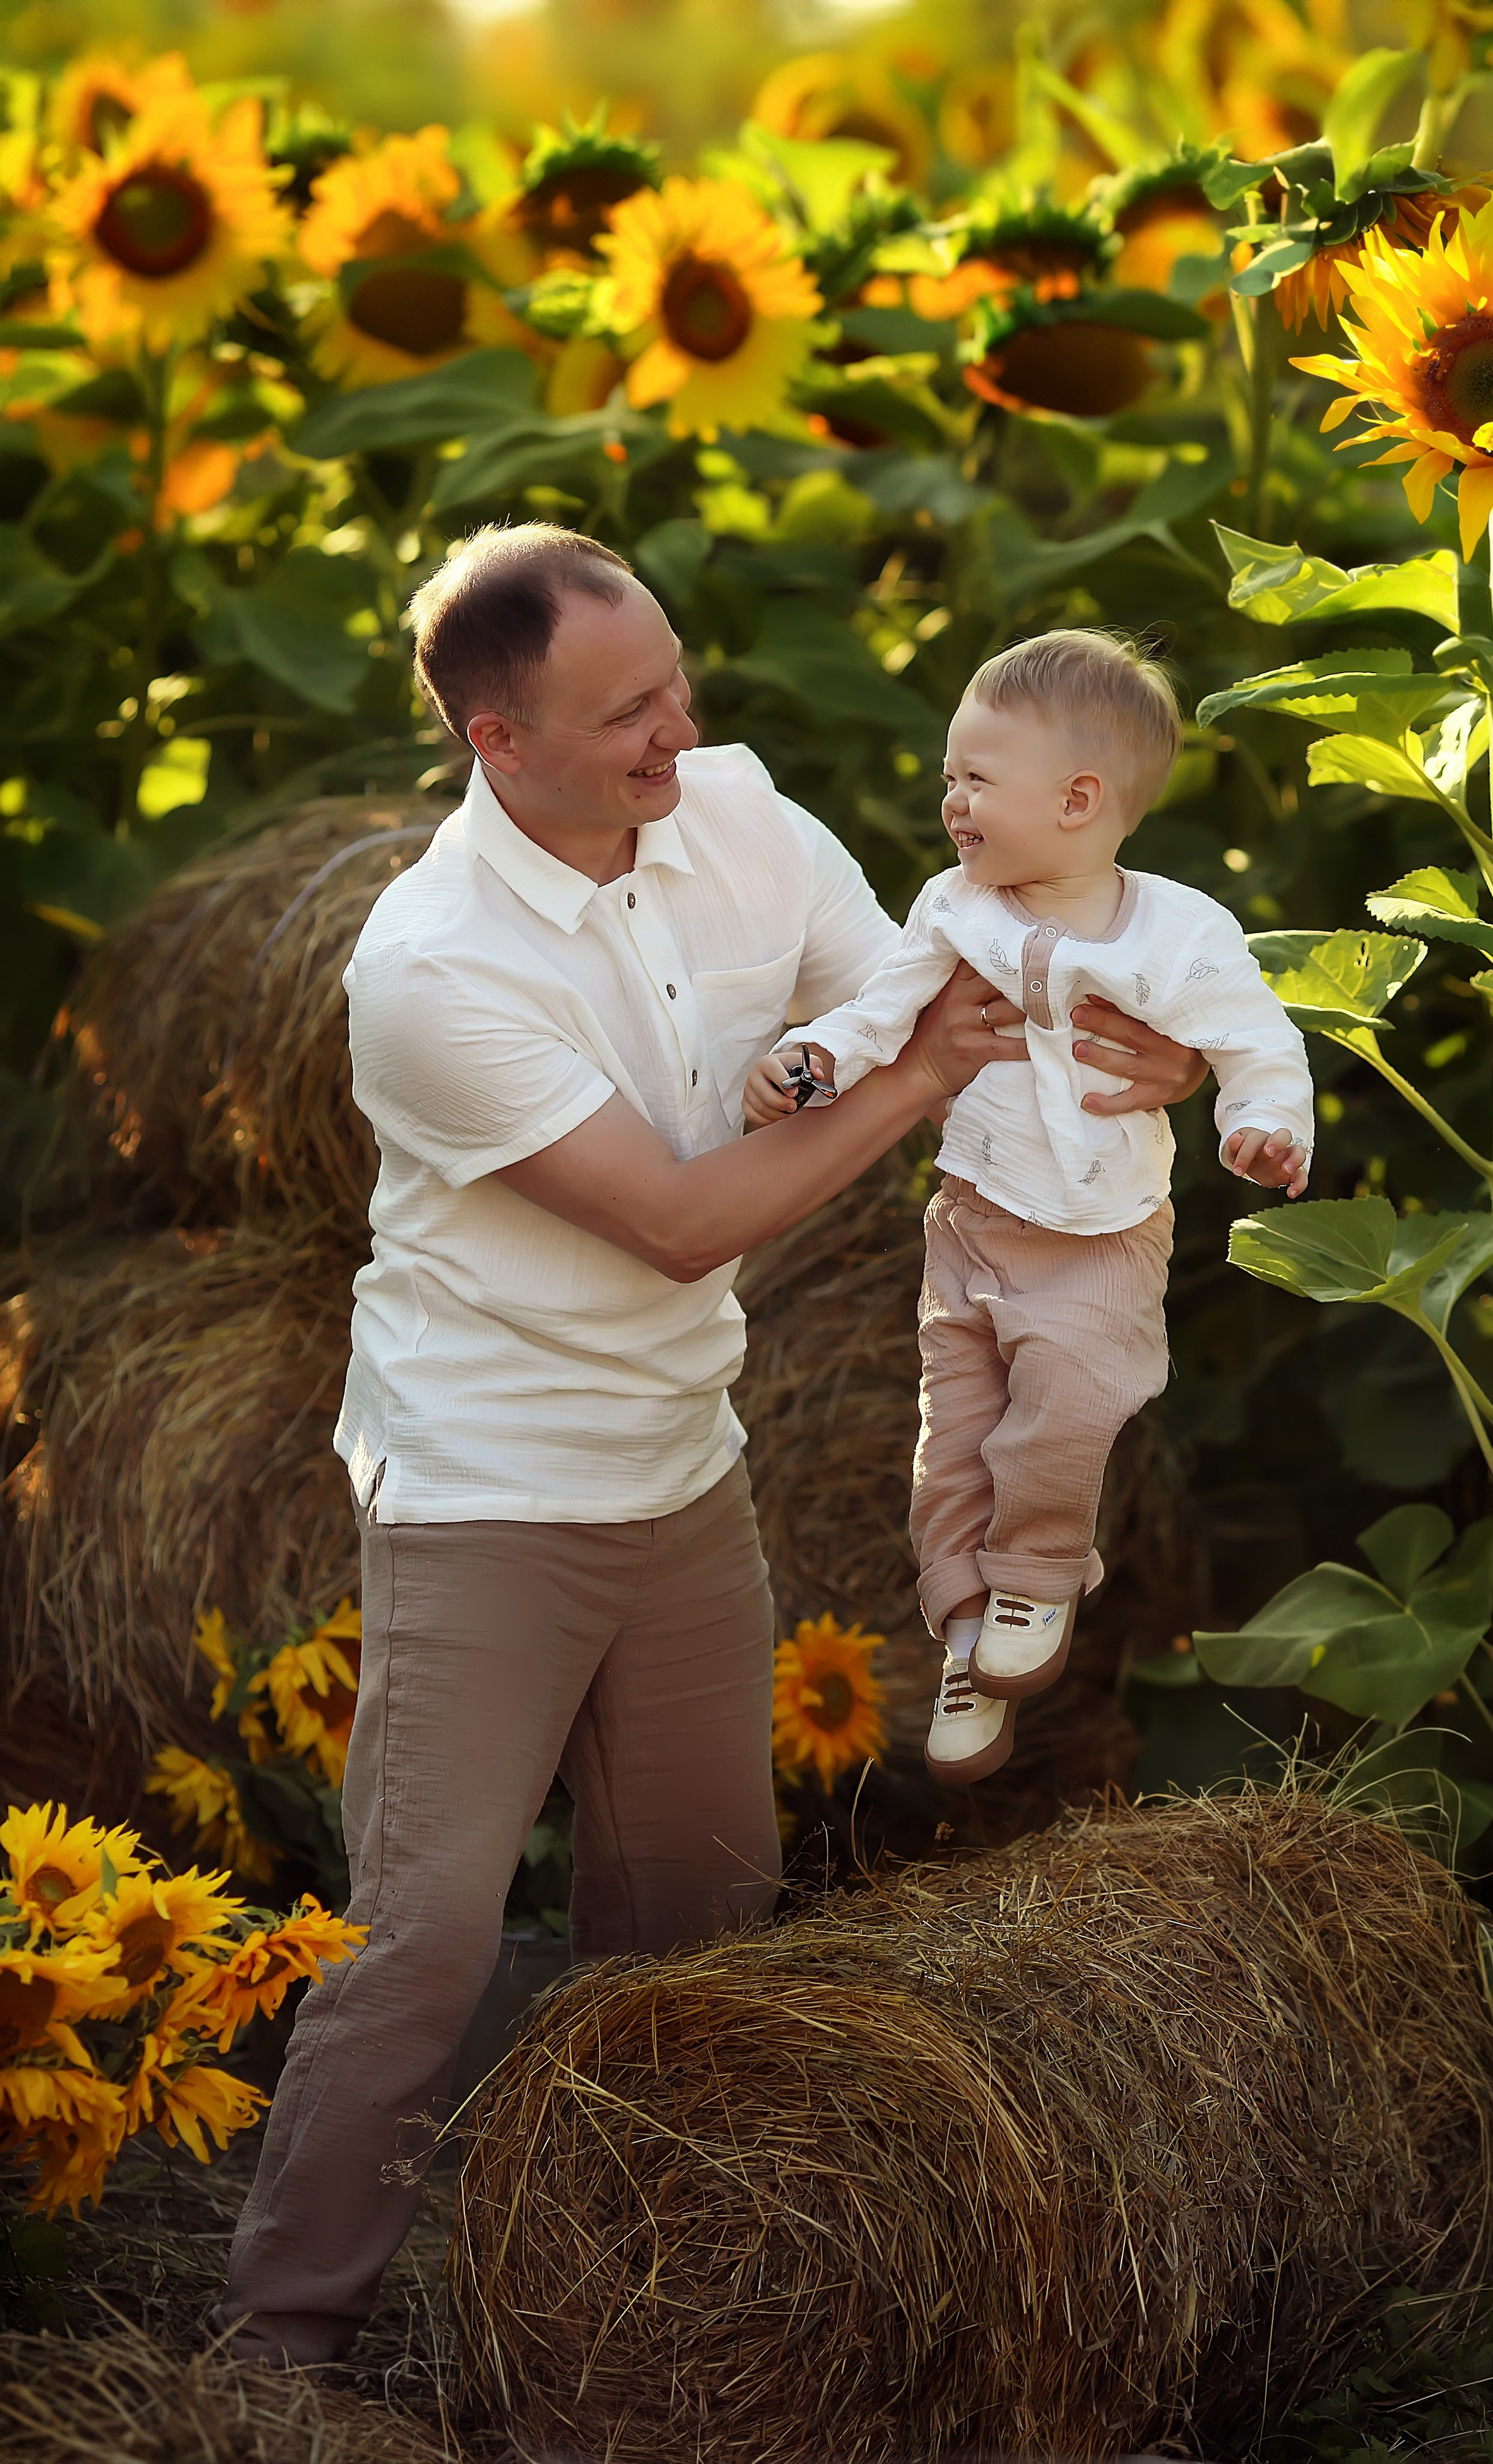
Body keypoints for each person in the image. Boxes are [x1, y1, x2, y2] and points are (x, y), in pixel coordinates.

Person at [211, 529, 1207, 2365]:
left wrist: (1145, 1041)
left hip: (685, 1472)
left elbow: (931, 969)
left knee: (696, 1931)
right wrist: (914, 1086)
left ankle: (628, 2317)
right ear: (499, 743)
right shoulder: (432, 969)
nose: (680, 732)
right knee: (427, 1939)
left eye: (675, 680)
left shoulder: (735, 812)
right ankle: (284, 2342)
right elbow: (678, 1220)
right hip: (488, 1493)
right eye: (627, 715)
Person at [746, 629, 1313, 1787]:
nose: (950, 799)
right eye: (950, 774)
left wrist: (1262, 1122)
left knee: (1066, 1407)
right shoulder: (954, 909)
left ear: (1078, 799)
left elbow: (1257, 1040)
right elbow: (878, 1012)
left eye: (975, 779)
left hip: (1101, 1234)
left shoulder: (1179, 931)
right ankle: (966, 1630)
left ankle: (1038, 1580)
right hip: (972, 1217)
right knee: (949, 1443)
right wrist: (812, 1057)